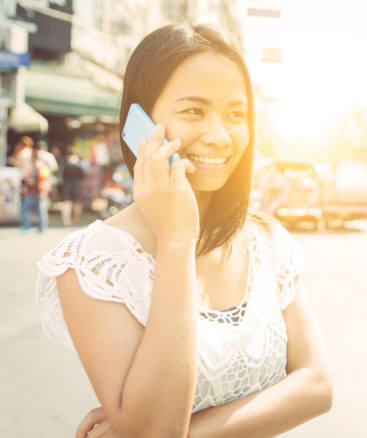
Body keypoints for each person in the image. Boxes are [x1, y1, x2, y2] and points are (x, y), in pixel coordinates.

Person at [36, 23, 332, 438]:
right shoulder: (91, 263)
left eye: (235, 115)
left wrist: (189, 432)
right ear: (138, 122)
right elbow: (156, 431)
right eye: (193, 111)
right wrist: (177, 240)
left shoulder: (267, 241)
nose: (219, 136)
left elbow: (318, 384)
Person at [20, 146, 51, 233]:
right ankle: (41, 227)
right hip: (40, 191)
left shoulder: (39, 167)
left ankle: (32, 226)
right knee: (40, 209)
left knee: (29, 208)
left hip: (38, 191)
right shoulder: (43, 167)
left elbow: (38, 180)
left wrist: (29, 181)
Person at [60, 149, 85, 226]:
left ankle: (66, 222)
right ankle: (76, 220)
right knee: (77, 203)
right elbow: (83, 175)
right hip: (77, 185)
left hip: (67, 185)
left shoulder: (64, 164)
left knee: (66, 204)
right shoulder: (79, 164)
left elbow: (62, 175)